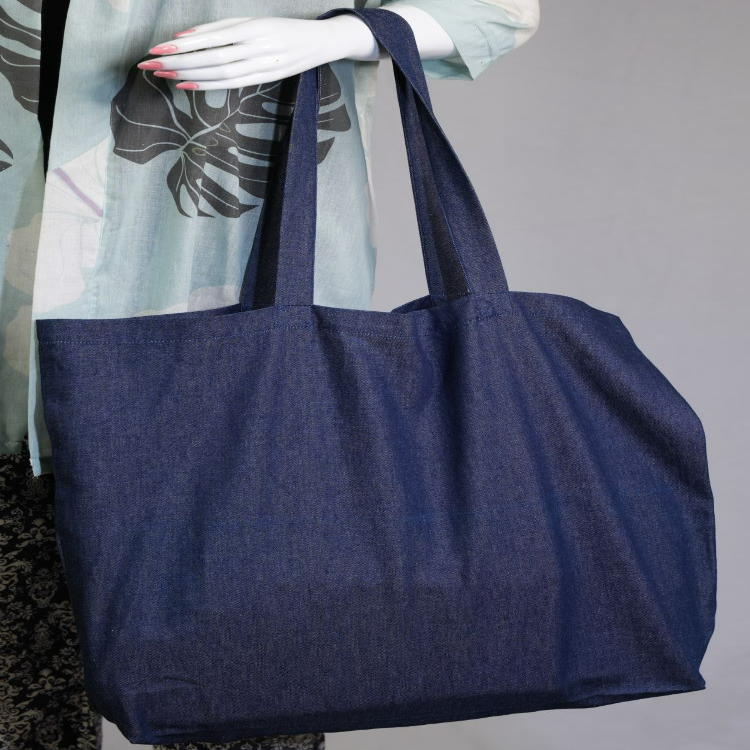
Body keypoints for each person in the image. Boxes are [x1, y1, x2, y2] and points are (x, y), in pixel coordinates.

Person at [0, 2, 540, 748]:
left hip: (223, 333)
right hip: (12, 350)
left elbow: (498, 10)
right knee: (17, 705)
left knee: (247, 701)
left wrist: (335, 36)